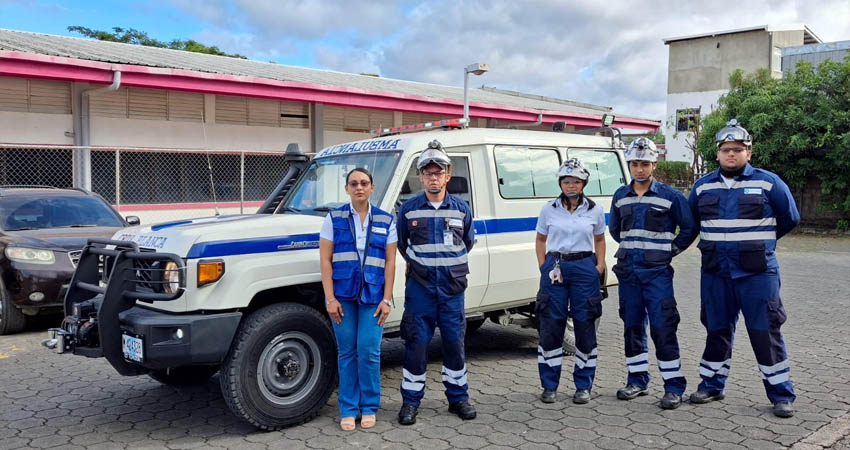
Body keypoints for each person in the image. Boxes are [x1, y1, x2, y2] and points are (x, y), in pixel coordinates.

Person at [688, 119, 800, 418]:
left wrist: (759, 244)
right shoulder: (702, 186)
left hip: (757, 274)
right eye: (726, 149)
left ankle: (781, 394)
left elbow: (790, 218)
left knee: (765, 332)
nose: (731, 154)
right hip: (716, 273)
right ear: (717, 153)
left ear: (749, 152)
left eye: (738, 149)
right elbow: (692, 222)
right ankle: (712, 385)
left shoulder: (768, 182)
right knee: (716, 330)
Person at [608, 138, 696, 410]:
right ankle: (637, 381)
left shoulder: (671, 196)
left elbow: (689, 228)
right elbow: (615, 230)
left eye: (645, 163)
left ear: (654, 165)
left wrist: (670, 251)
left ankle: (673, 386)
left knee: (663, 327)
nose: (639, 168)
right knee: (632, 327)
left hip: (657, 274)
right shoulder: (620, 196)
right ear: (629, 165)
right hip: (628, 273)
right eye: (635, 163)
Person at [396, 140, 476, 425]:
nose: (433, 178)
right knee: (416, 344)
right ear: (420, 177)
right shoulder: (408, 209)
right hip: (421, 288)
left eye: (438, 173)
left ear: (447, 176)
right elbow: (403, 245)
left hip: (452, 289)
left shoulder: (462, 209)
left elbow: (467, 242)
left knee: (454, 343)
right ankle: (411, 402)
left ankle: (458, 398)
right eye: (427, 173)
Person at [319, 167, 397, 431]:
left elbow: (390, 262)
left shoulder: (386, 220)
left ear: (372, 187)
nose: (359, 187)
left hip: (373, 297)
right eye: (354, 183)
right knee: (347, 352)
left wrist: (387, 299)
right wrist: (330, 298)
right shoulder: (334, 218)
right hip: (342, 297)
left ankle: (369, 406)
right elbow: (325, 260)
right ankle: (349, 409)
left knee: (369, 350)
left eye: (364, 183)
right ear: (347, 189)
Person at [535, 158, 606, 405]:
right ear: (560, 183)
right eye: (566, 181)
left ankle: (583, 385)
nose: (571, 185)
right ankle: (549, 385)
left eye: (576, 181)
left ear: (584, 183)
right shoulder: (549, 209)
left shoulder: (595, 210)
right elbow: (540, 239)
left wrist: (599, 266)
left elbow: (599, 239)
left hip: (584, 267)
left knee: (585, 322)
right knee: (551, 322)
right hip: (555, 266)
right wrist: (543, 265)